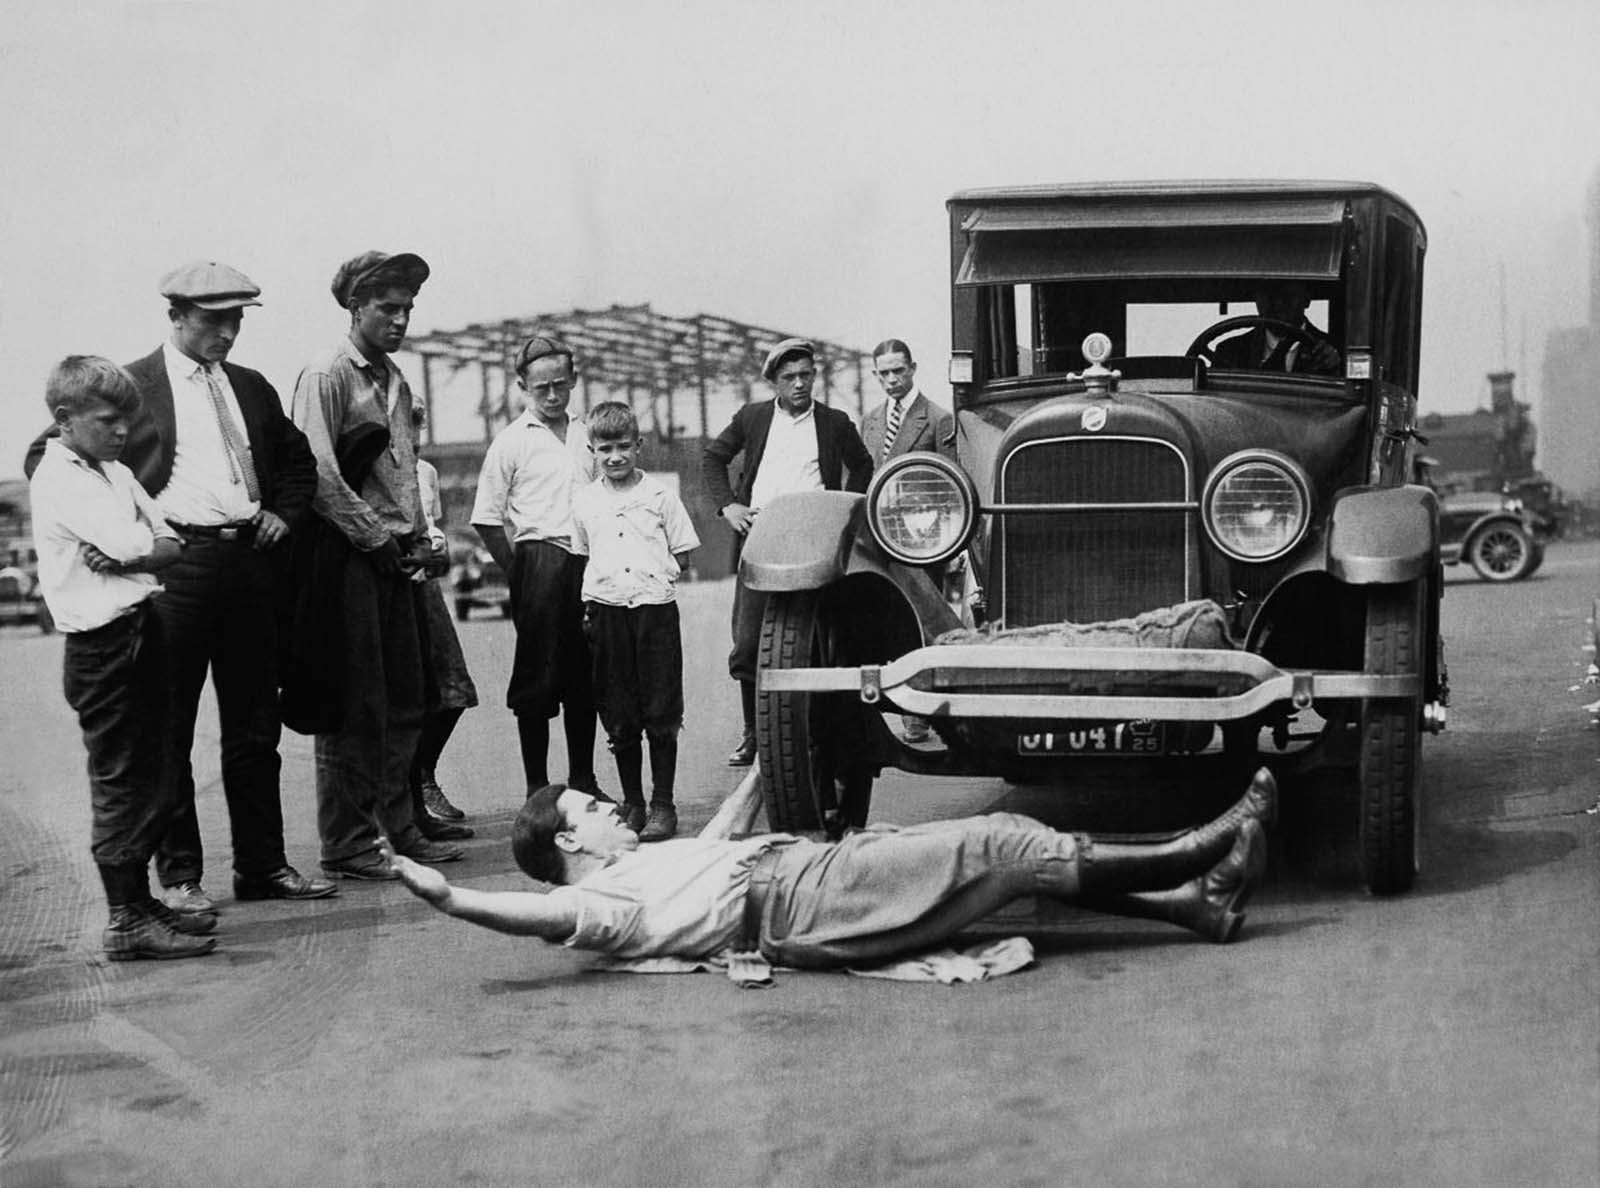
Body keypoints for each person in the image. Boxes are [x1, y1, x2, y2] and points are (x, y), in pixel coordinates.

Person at [25, 262, 334, 913]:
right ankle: (183, 877)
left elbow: (299, 461)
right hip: (173, 571)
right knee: (171, 731)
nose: (227, 332)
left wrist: (285, 511)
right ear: (176, 316)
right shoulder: (131, 385)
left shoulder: (251, 386)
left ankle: (263, 866)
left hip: (249, 560)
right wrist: (108, 532)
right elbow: (48, 453)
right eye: (213, 320)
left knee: (255, 727)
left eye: (237, 320)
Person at [390, 769, 1276, 968]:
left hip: (805, 873)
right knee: (999, 842)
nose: (611, 807)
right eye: (592, 809)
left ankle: (1190, 903)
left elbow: (730, 831)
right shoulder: (602, 903)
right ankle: (1193, 849)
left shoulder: (648, 862)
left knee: (1004, 879)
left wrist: (765, 752)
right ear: (569, 845)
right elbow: (537, 920)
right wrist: (452, 898)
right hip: (799, 901)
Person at [30, 356, 215, 959]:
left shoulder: (112, 470)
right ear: (65, 419)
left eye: (125, 422)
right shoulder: (59, 477)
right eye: (108, 420)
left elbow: (168, 541)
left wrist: (146, 550)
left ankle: (138, 902)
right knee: (122, 783)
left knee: (161, 775)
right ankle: (124, 920)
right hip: (102, 647)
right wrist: (145, 548)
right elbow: (134, 540)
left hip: (142, 627)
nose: (121, 432)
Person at [291, 250, 462, 881]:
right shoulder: (329, 373)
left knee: (407, 700)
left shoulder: (395, 379)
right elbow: (317, 474)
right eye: (387, 308)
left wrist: (420, 539)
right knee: (354, 705)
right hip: (348, 559)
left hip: (397, 560)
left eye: (408, 308)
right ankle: (346, 841)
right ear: (355, 307)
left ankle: (400, 829)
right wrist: (375, 538)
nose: (400, 319)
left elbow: (402, 476)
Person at [701, 338, 873, 765]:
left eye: (806, 375)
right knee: (747, 642)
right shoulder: (753, 417)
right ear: (774, 382)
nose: (799, 384)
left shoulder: (834, 422)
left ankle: (820, 731)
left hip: (816, 536)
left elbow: (864, 465)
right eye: (789, 377)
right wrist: (729, 505)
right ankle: (753, 734)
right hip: (761, 535)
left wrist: (844, 512)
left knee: (820, 635)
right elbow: (712, 459)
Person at [470, 336, 604, 799]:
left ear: (573, 381)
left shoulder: (589, 435)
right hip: (539, 560)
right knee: (537, 680)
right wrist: (518, 572)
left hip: (588, 565)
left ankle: (584, 781)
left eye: (561, 385)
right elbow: (486, 517)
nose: (551, 396)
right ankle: (537, 789)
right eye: (541, 387)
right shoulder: (510, 442)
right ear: (523, 385)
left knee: (584, 677)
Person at [571, 402, 701, 842]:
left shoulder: (661, 496)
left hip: (654, 612)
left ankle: (663, 803)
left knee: (661, 709)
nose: (614, 457)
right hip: (607, 612)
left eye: (623, 446)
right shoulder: (585, 500)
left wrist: (654, 575)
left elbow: (682, 553)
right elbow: (584, 551)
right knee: (619, 712)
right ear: (592, 450)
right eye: (604, 448)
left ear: (638, 446)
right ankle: (634, 803)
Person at [409, 402, 476, 841]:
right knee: (407, 697)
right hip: (392, 586)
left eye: (416, 431)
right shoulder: (374, 469)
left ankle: (424, 774)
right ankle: (409, 800)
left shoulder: (427, 472)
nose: (410, 439)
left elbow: (438, 526)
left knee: (453, 690)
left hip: (427, 588)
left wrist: (441, 553)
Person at [1211, 283, 1342, 375]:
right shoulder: (1229, 353)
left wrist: (1332, 369)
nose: (1278, 303)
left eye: (1288, 294)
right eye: (1269, 293)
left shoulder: (1334, 352)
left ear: (1306, 298)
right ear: (1256, 298)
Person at [860, 338, 955, 463]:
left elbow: (948, 478)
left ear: (912, 368)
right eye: (884, 373)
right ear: (876, 374)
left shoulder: (939, 419)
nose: (892, 379)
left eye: (898, 371)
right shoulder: (869, 421)